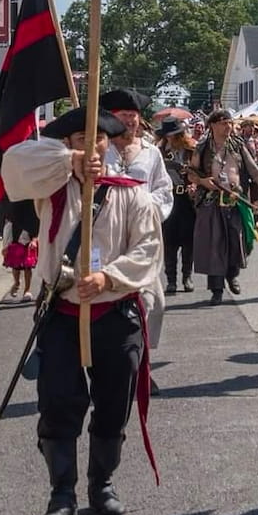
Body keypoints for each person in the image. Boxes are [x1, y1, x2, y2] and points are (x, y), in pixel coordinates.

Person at [1, 106, 161, 515]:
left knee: (112, 405)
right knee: (58, 405)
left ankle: (102, 484)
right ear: (67, 145)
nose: (90, 149)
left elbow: (147, 250)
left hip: (115, 313)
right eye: (78, 142)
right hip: (61, 314)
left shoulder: (132, 194)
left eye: (97, 141)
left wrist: (108, 277)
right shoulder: (52, 187)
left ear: (110, 144)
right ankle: (62, 494)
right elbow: (12, 167)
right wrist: (67, 163)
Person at [100, 89, 172, 358]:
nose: (130, 121)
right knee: (108, 298)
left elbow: (164, 191)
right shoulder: (100, 150)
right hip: (106, 234)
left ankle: (142, 358)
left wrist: (141, 207)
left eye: (133, 116)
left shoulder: (151, 153)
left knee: (152, 302)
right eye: (123, 115)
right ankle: (110, 358)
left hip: (144, 235)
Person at [191, 108, 258, 304]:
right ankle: (217, 289)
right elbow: (191, 173)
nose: (228, 126)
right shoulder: (202, 147)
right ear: (213, 125)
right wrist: (203, 182)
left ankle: (232, 274)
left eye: (229, 123)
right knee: (215, 244)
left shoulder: (238, 144)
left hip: (237, 199)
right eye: (223, 123)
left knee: (239, 241)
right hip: (211, 200)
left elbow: (253, 168)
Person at [156, 117, 197, 294]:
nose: (173, 138)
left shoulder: (191, 150)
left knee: (189, 241)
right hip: (168, 198)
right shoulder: (158, 152)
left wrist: (194, 183)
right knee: (169, 241)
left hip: (187, 200)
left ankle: (186, 276)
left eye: (176, 135)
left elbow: (200, 171)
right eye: (170, 136)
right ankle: (171, 280)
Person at [3, 195, 40, 300]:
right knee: (16, 267)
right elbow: (8, 227)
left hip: (28, 243)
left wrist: (34, 240)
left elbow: (36, 225)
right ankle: (17, 283)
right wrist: (6, 245)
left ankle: (27, 290)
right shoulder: (14, 209)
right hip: (16, 242)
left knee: (28, 267)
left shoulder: (32, 209)